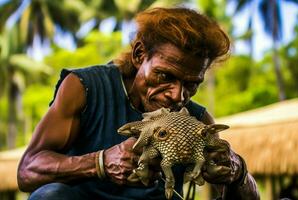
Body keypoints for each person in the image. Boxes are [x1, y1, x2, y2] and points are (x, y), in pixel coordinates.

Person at [17, 7, 260, 200]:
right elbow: (27, 171)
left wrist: (238, 172)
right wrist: (100, 162)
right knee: (51, 195)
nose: (177, 95)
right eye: (165, 77)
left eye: (191, 84)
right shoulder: (83, 87)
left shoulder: (197, 121)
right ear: (139, 55)